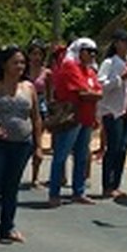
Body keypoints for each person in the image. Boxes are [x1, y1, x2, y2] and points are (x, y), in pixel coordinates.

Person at [0, 46, 44, 245]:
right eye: (15, 62)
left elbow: (36, 118)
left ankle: (8, 227)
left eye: (22, 63)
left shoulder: (29, 88)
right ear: (4, 64)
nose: (20, 66)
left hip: (22, 144)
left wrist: (38, 146)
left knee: (11, 187)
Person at [47, 37, 103, 207]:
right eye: (89, 51)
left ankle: (78, 192)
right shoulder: (70, 66)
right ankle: (54, 193)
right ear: (80, 51)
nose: (92, 55)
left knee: (81, 156)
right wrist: (93, 93)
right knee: (61, 155)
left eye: (95, 52)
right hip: (71, 117)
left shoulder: (90, 71)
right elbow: (83, 92)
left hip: (86, 117)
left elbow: (97, 91)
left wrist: (92, 93)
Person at [97, 29, 127, 199]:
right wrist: (120, 79)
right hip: (114, 110)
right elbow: (101, 85)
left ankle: (116, 183)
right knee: (114, 147)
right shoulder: (109, 63)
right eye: (125, 41)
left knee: (123, 148)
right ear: (116, 43)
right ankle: (107, 185)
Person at [26, 40, 51, 187]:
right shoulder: (22, 70)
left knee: (37, 141)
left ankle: (35, 176)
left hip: (40, 105)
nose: (36, 57)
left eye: (39, 54)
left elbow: (49, 93)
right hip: (24, 103)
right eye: (33, 53)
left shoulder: (46, 73)